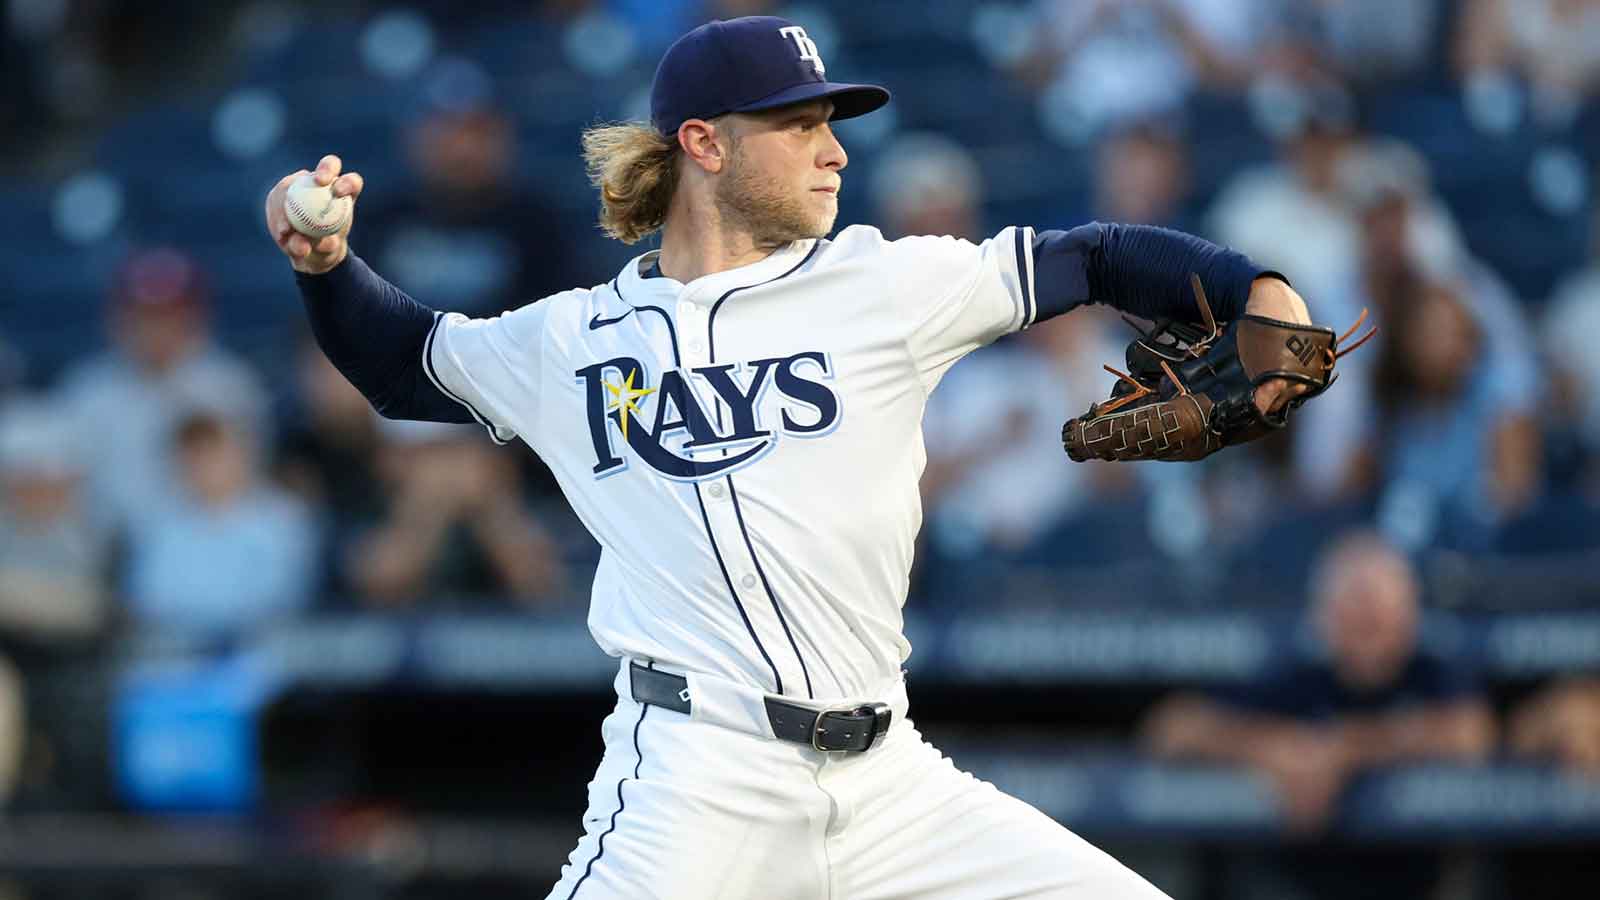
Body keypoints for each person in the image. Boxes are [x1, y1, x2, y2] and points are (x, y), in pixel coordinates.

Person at [265, 16, 1322, 899]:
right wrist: (326, 265)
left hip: (891, 785)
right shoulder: (571, 340)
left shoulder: (885, 286)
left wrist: (1252, 288)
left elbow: (1090, 257)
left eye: (831, 122)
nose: (836, 150)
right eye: (800, 123)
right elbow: (404, 362)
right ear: (705, 144)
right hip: (696, 779)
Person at [1141, 532, 1494, 899]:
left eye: (1377, 612)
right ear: (1323, 616)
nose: (1366, 624)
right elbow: (1170, 728)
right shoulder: (1299, 678)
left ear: (1409, 613)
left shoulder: (1432, 672)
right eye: (1352, 610)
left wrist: (1341, 750)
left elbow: (1471, 736)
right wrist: (1272, 749)